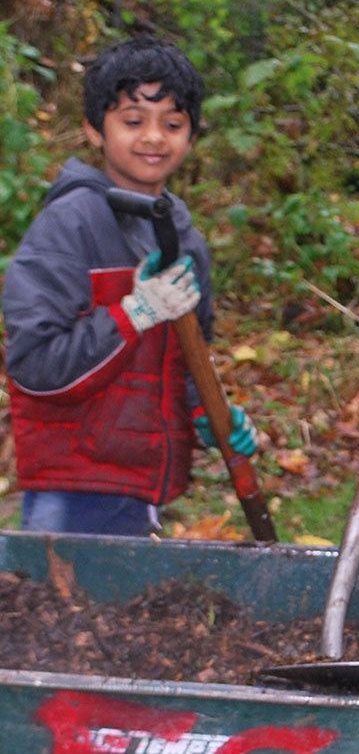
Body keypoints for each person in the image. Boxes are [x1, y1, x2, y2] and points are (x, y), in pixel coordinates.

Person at [3, 35, 257, 538]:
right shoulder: (69, 226)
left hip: (142, 485)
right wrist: (134, 313)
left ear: (192, 135)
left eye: (173, 124)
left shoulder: (183, 239)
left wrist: (209, 414)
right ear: (95, 130)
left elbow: (188, 357)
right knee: (61, 591)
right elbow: (35, 368)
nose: (154, 138)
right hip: (72, 485)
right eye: (133, 121)